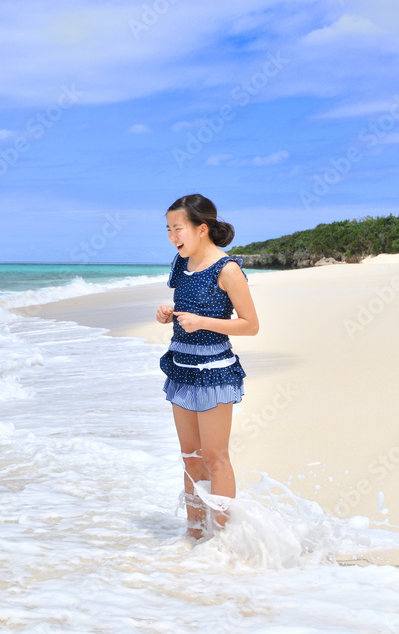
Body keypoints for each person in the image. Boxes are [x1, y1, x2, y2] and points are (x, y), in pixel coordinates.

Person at [155, 194, 259, 539]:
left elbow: (250, 324)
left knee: (215, 458)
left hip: (214, 370)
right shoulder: (179, 264)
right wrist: (167, 313)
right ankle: (195, 535)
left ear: (201, 229)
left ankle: (224, 540)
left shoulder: (227, 269)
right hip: (181, 367)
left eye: (177, 228)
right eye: (168, 229)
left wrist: (202, 322)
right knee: (190, 458)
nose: (172, 235)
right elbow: (186, 307)